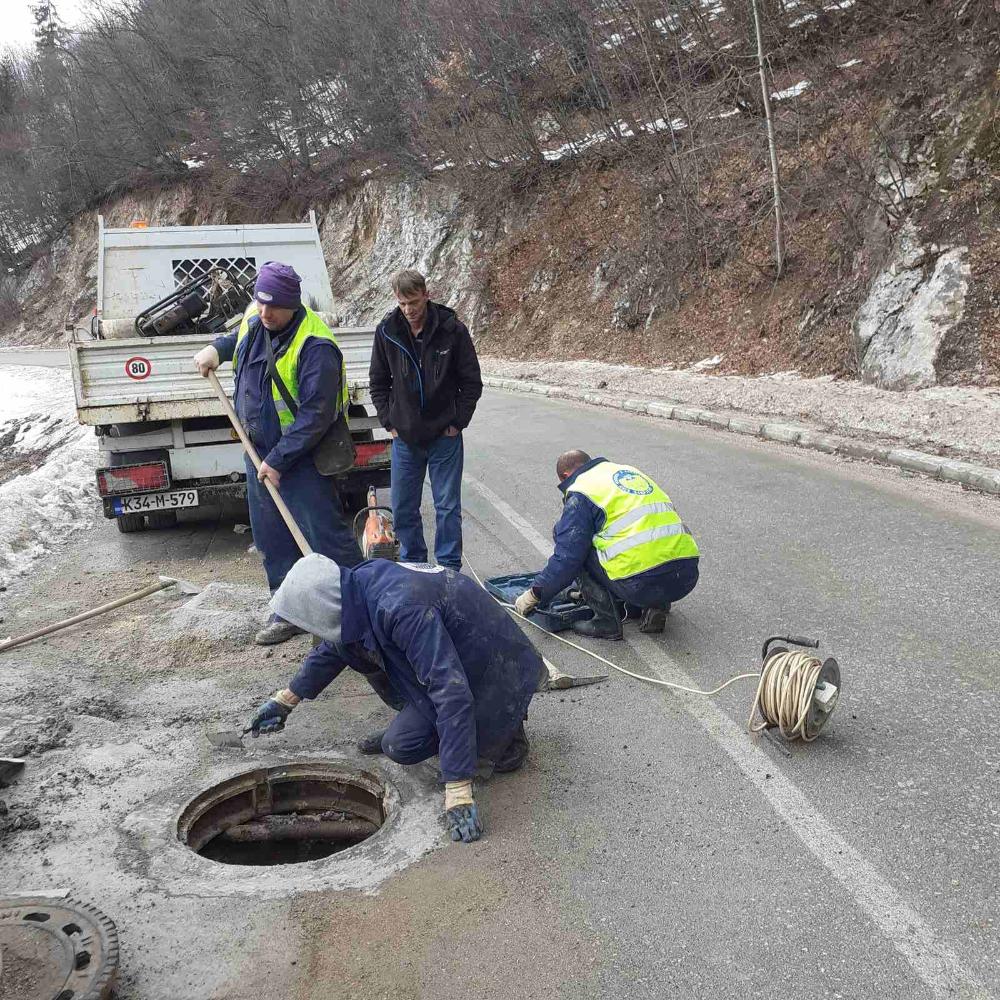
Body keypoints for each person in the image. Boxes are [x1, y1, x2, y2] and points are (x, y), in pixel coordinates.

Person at [247, 553, 545, 844]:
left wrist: (458, 790)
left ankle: (507, 736)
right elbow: (330, 651)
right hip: (452, 655)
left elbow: (451, 691)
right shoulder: (353, 592)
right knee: (368, 660)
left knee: (402, 744)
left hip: (493, 663)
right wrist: (285, 700)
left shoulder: (400, 609)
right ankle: (433, 727)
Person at [193, 261, 362, 645]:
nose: (265, 313)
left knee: (325, 537)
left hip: (300, 456)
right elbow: (239, 338)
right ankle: (288, 610)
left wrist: (279, 460)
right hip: (258, 451)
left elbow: (316, 418)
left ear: (293, 304)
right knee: (271, 536)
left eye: (274, 307)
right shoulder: (258, 314)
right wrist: (215, 350)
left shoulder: (315, 347)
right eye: (261, 303)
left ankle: (360, 609)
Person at [514, 451, 700, 640]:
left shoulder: (581, 490)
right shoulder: (628, 471)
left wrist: (536, 593)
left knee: (577, 545)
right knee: (647, 544)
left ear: (565, 476)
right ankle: (656, 603)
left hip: (641, 583)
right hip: (686, 576)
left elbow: (568, 558)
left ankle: (606, 621)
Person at [369, 269, 482, 571]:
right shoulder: (387, 331)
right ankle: (413, 566)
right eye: (403, 304)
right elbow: (378, 382)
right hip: (405, 439)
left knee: (447, 507)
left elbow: (471, 381)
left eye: (414, 303)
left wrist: (458, 421)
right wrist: (388, 421)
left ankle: (448, 570)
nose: (409, 311)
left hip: (445, 438)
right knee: (405, 509)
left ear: (426, 295)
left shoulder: (452, 329)